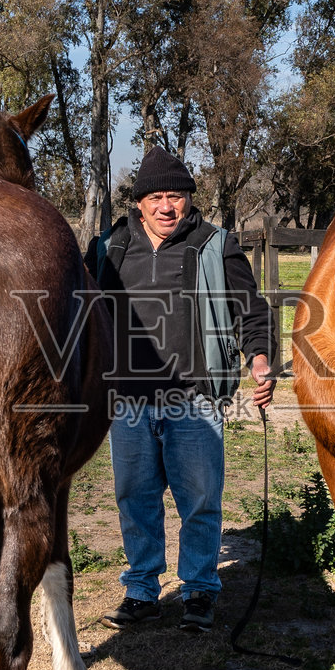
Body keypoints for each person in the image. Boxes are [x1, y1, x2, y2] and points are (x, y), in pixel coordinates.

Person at [87, 145, 275, 633]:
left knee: (200, 500)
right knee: (135, 498)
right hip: (127, 402)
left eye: (176, 196)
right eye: (156, 197)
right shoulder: (109, 247)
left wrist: (259, 359)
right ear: (140, 202)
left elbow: (250, 309)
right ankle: (142, 591)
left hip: (193, 400)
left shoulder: (216, 244)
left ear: (189, 199)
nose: (167, 207)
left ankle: (198, 592)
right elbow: (81, 317)